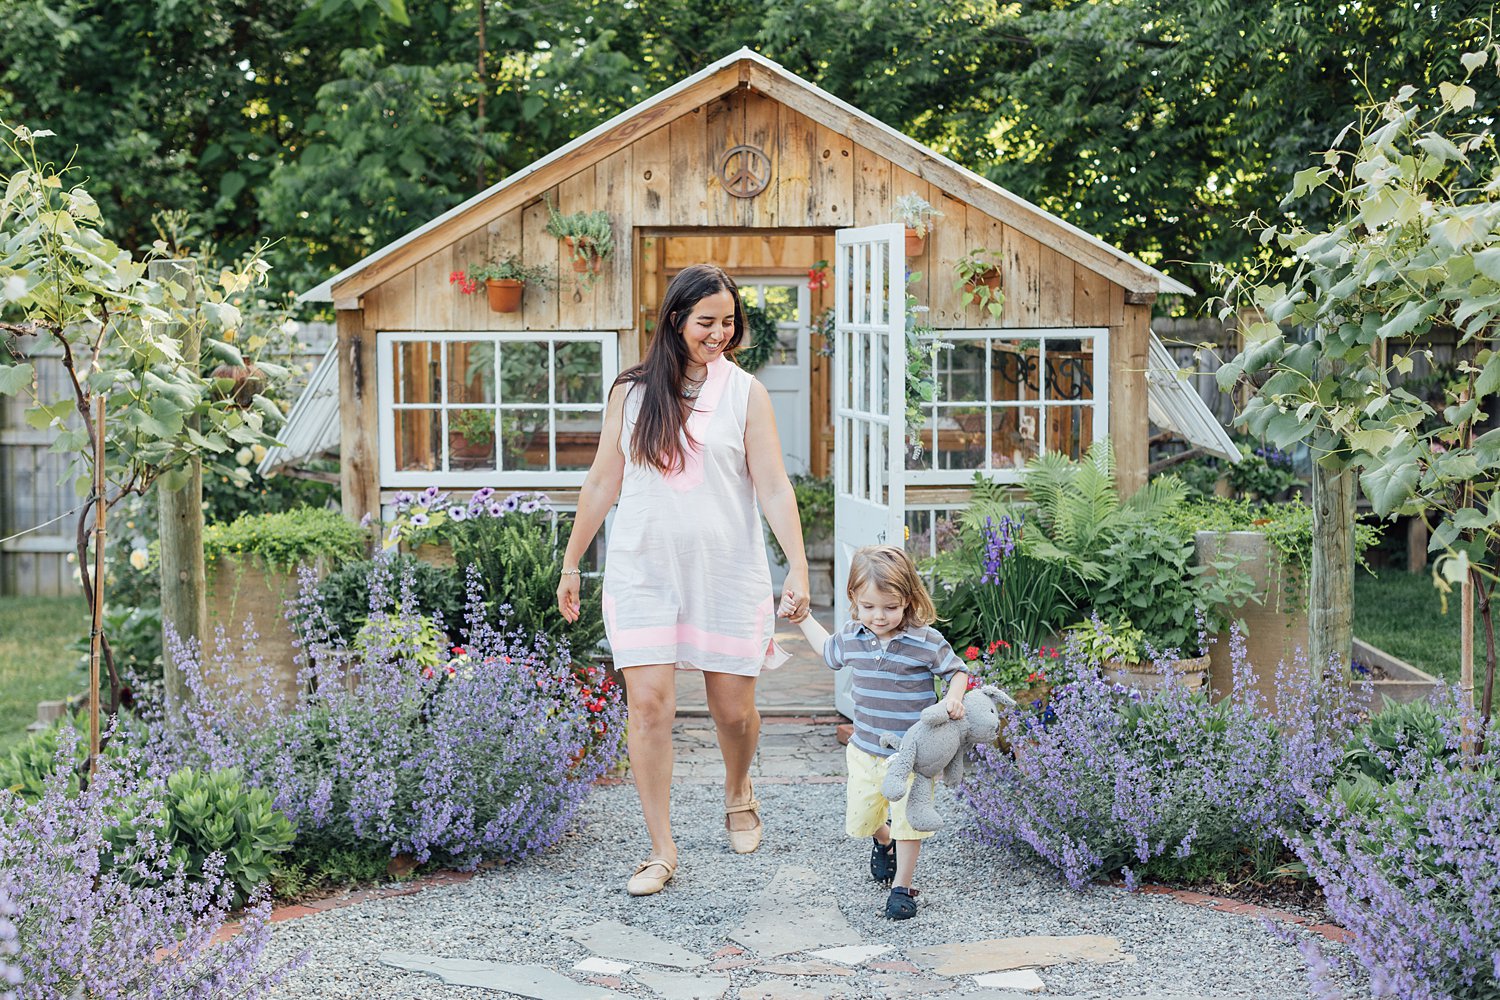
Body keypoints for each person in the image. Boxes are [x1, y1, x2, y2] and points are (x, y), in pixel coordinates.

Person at [557, 263, 810, 897]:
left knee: (734, 710)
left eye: (729, 321)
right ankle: (661, 848)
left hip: (726, 574)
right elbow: (602, 482)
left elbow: (774, 487)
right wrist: (571, 560)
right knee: (648, 709)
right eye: (707, 322)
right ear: (675, 320)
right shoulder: (632, 392)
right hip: (643, 573)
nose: (720, 333)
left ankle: (737, 787)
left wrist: (799, 565)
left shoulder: (746, 393)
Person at [779, 545, 969, 920]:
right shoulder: (853, 636)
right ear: (854, 599)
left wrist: (955, 697)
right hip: (864, 749)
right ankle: (885, 842)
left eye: (889, 607)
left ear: (908, 601)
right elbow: (828, 651)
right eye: (868, 607)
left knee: (908, 820)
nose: (879, 617)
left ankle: (903, 887)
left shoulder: (924, 641)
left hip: (911, 754)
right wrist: (802, 618)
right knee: (863, 820)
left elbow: (957, 670)